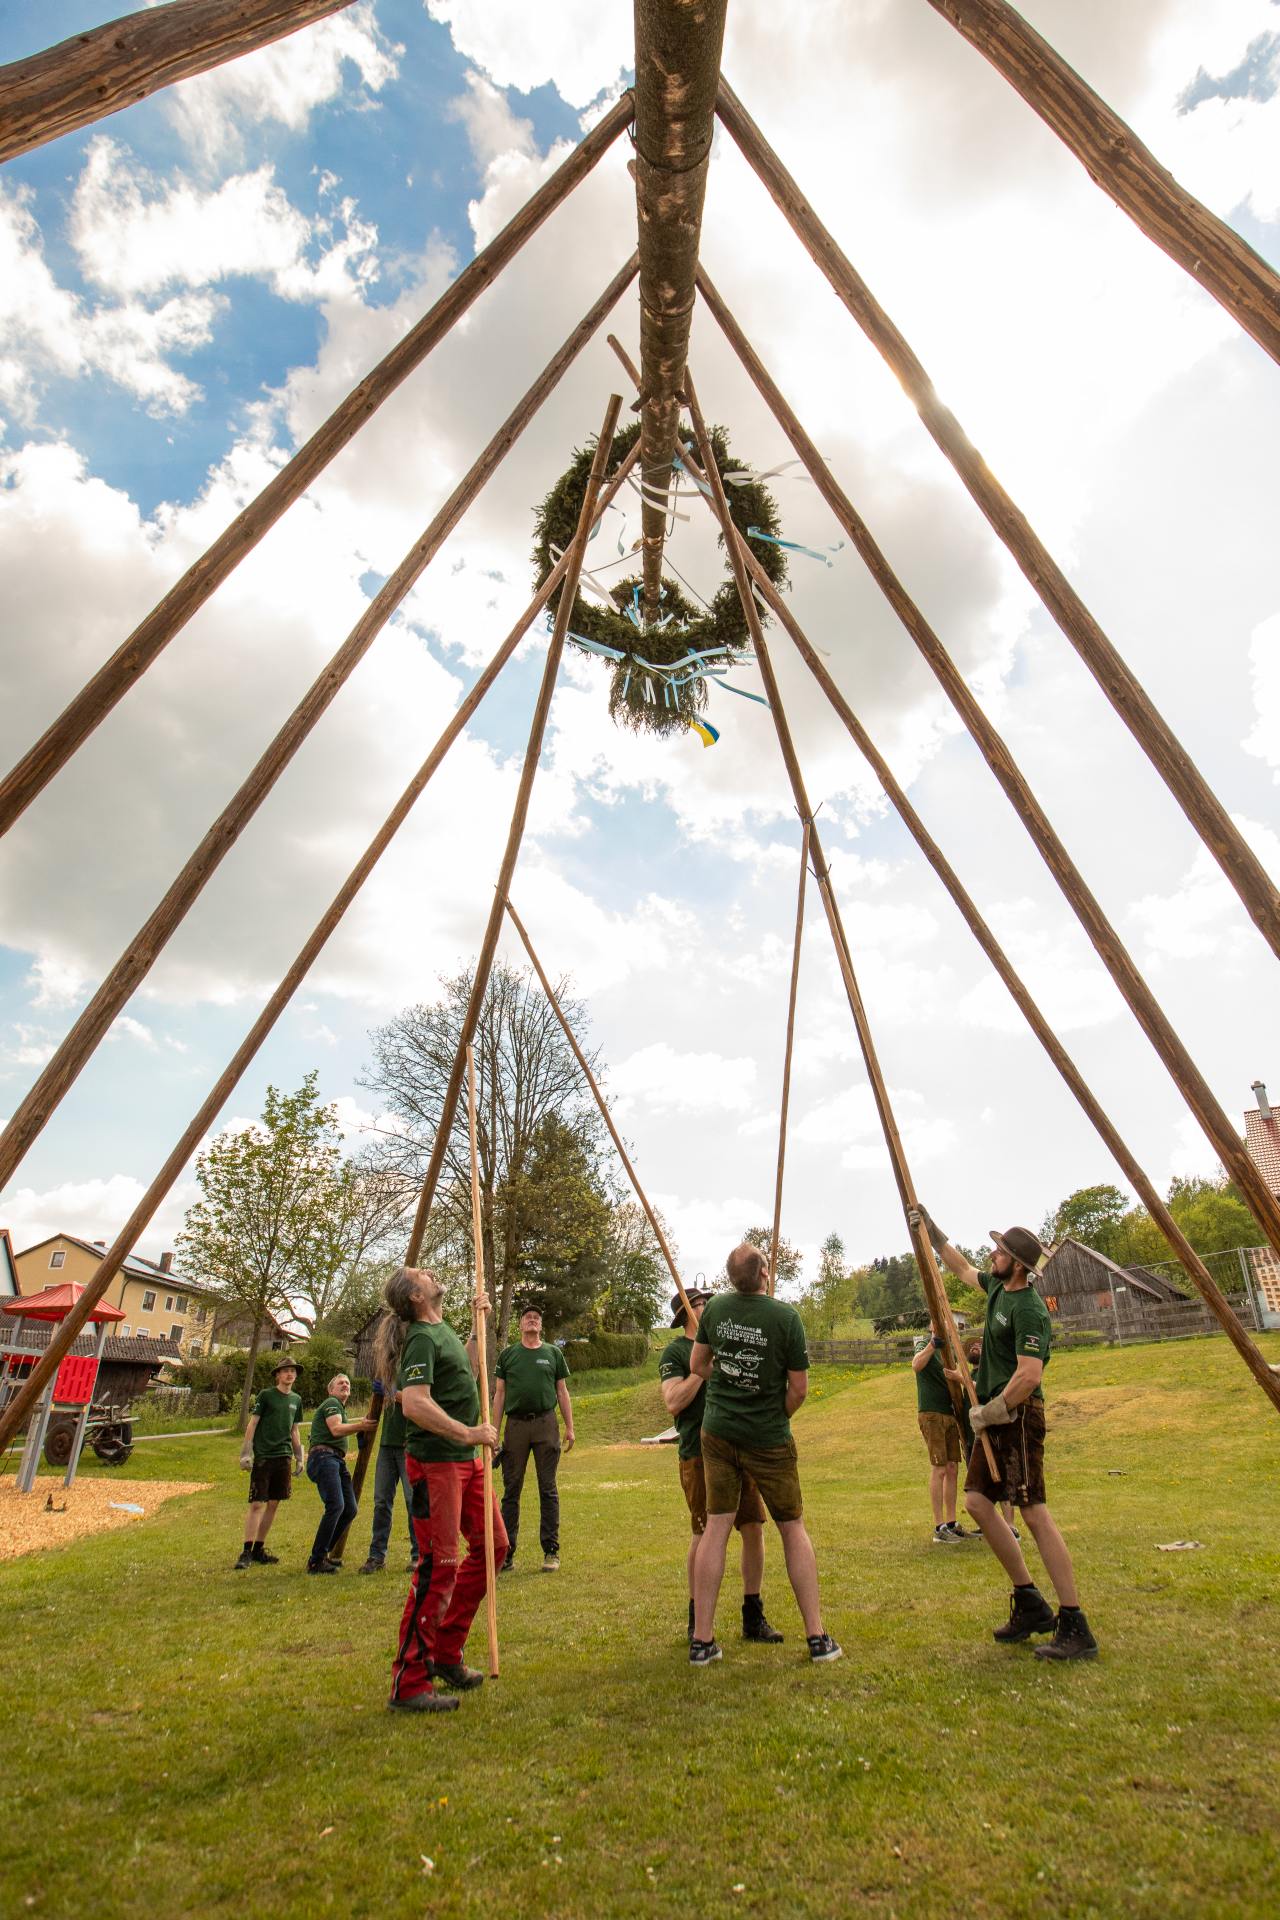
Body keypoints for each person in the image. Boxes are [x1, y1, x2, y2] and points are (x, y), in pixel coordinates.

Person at [911, 1205, 1098, 1661]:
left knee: (1032, 1512)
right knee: (976, 1502)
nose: (992, 1254)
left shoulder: (1030, 1310)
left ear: (1016, 1263)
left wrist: (993, 1410)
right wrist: (931, 1229)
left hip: (1018, 1418)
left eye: (999, 1250)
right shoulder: (996, 1286)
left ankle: (1074, 1622)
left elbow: (1029, 1375)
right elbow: (957, 1266)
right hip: (993, 1419)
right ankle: (1031, 1602)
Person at [688, 1242, 841, 1666]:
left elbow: (699, 1365)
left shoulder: (715, 1310)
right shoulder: (785, 1317)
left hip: (717, 1431)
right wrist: (776, 1414)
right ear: (764, 1274)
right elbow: (800, 1389)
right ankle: (817, 1636)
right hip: (767, 1437)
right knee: (792, 1527)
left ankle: (702, 1641)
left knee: (716, 1528)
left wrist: (729, 1374)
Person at [372, 1266, 504, 1715]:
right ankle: (409, 1683)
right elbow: (414, 1402)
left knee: (494, 1547)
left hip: (467, 1464)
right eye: (420, 1274)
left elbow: (465, 1369)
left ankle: (446, 1651)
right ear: (415, 1296)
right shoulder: (421, 1340)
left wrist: (476, 1327)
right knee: (439, 1565)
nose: (429, 1272)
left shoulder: (439, 1329)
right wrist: (468, 1434)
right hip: (438, 1463)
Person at [659, 1284, 783, 1645]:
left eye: (710, 1302)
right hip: (697, 1454)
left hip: (739, 1449)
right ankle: (697, 1619)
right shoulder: (676, 1351)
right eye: (700, 1304)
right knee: (704, 1534)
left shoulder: (726, 1344)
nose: (709, 1307)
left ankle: (753, 1614)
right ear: (685, 1313)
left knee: (754, 1528)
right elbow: (673, 1403)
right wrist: (701, 1368)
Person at [492, 1305, 574, 1573]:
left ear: (541, 1326)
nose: (532, 1320)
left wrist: (569, 1427)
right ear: (520, 1325)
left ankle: (551, 1552)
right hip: (515, 1426)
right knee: (511, 1491)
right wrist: (493, 1432)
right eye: (528, 1317)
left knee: (548, 1489)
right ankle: (506, 1553)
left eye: (537, 1318)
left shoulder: (553, 1353)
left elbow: (562, 1392)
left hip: (545, 1424)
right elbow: (499, 1395)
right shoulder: (508, 1355)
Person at [305, 1373, 377, 1575]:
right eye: (340, 1383)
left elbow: (341, 1429)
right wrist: (361, 1426)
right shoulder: (331, 1402)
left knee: (350, 1509)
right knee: (336, 1505)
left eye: (348, 1383)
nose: (345, 1384)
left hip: (336, 1459)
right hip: (323, 1457)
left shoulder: (341, 1409)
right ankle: (316, 1560)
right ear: (331, 1389)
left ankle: (323, 1554)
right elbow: (336, 1429)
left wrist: (360, 1431)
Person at [235, 1357, 302, 1569]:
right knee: (257, 1503)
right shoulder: (266, 1396)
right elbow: (253, 1423)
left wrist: (300, 1456)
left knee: (274, 1503)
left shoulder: (296, 1400)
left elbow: (294, 1429)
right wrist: (246, 1452)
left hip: (283, 1455)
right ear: (278, 1375)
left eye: (292, 1371)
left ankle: (259, 1549)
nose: (289, 1374)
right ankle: (246, 1551)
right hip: (264, 1455)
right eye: (285, 1371)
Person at [358, 1382, 420, 1577]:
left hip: (409, 1443)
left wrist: (393, 1393)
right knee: (381, 1501)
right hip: (387, 1445)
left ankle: (419, 1556)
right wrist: (364, 1427)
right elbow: (379, 1403)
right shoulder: (388, 1370)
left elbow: (419, 1401)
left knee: (413, 1501)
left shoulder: (415, 1366)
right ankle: (376, 1556)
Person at [911, 1323, 964, 1543]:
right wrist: (933, 1345)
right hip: (931, 1413)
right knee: (939, 1468)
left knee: (952, 1468)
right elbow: (916, 1365)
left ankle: (951, 1523)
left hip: (949, 1414)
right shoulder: (925, 1344)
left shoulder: (951, 1352)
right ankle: (939, 1526)